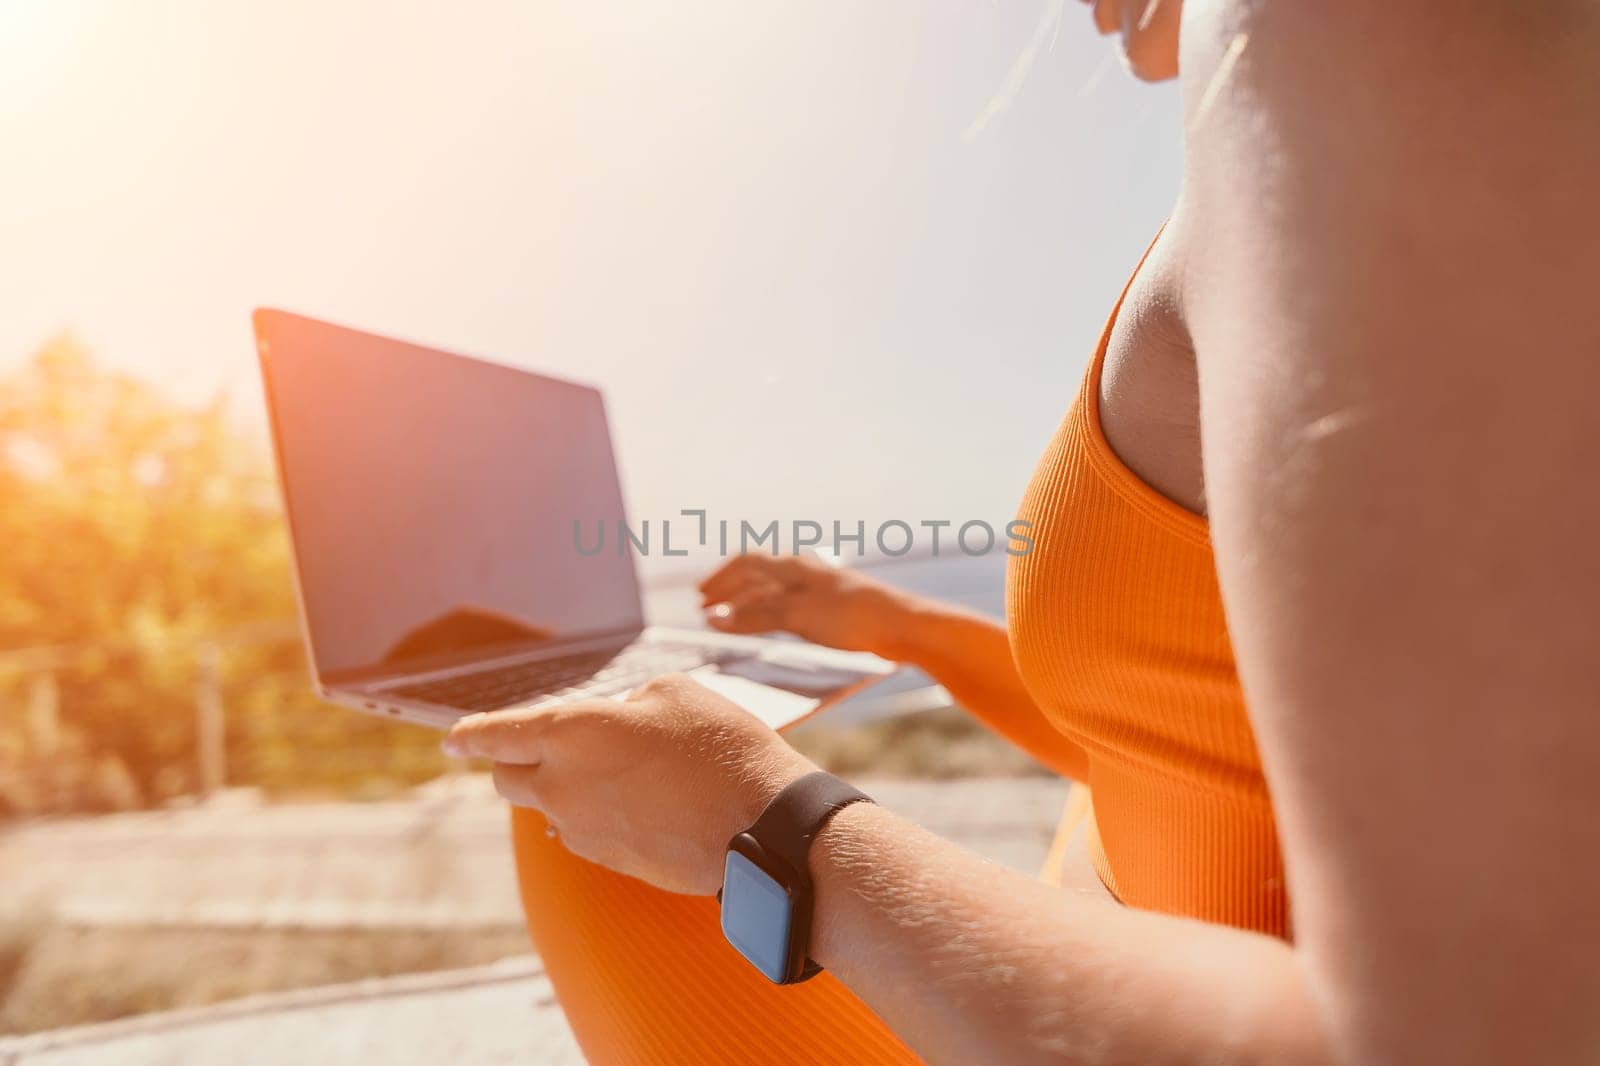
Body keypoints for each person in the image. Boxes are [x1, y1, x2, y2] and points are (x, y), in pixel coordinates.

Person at [443, 2, 1600, 1062]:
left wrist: (771, 824)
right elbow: (1180, 728)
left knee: (567, 786)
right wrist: (898, 626)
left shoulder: (1359, 44)